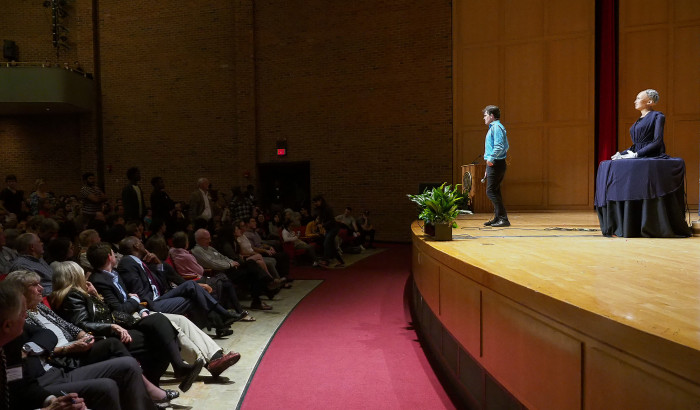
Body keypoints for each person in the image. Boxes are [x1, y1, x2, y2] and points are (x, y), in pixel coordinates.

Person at [3, 271, 166, 409]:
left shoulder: (22, 330)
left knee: (129, 360)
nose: (41, 289)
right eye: (21, 314)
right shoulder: (14, 337)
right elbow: (20, 391)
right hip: (58, 364)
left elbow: (48, 334)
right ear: (7, 324)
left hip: (56, 368)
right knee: (108, 379)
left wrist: (28, 348)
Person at [87, 243, 242, 377]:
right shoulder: (99, 280)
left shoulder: (114, 274)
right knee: (171, 325)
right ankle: (208, 364)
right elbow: (119, 308)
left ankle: (215, 355)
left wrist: (141, 309)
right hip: (124, 321)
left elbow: (129, 297)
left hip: (137, 313)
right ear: (109, 257)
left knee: (182, 319)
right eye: (114, 254)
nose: (116, 256)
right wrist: (135, 302)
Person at [49, 261, 204, 393]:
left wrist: (95, 296)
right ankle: (157, 384)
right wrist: (112, 327)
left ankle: (177, 367)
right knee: (160, 339)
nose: (85, 276)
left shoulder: (81, 293)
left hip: (119, 324)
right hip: (104, 336)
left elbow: (106, 311)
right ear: (74, 276)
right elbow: (81, 324)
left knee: (158, 320)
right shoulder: (72, 295)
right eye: (82, 273)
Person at [0, 280, 89, 410]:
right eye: (22, 313)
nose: (26, 317)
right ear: (7, 325)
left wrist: (52, 400)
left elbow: (23, 385)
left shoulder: (12, 343)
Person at [611, 89, 665, 160]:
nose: (635, 101)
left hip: (651, 155)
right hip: (638, 153)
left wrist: (637, 154)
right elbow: (637, 145)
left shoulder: (657, 116)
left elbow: (657, 142)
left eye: (638, 98)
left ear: (649, 102)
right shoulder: (639, 120)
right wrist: (622, 153)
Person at [482, 105, 510, 227]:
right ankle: (498, 218)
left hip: (496, 162)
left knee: (491, 191)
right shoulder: (496, 127)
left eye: (485, 115)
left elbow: (499, 146)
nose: (484, 118)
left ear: (491, 116)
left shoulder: (496, 127)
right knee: (495, 191)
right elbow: (507, 146)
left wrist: (491, 159)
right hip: (496, 163)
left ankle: (503, 219)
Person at [312, 195, 345, 268]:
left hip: (333, 228)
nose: (315, 204)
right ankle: (341, 262)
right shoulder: (320, 209)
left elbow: (332, 220)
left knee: (326, 243)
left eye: (316, 202)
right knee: (331, 246)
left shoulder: (327, 208)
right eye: (314, 202)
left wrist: (323, 225)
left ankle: (325, 261)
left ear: (320, 200)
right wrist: (319, 223)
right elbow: (321, 218)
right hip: (329, 229)